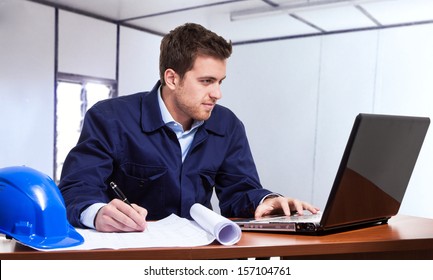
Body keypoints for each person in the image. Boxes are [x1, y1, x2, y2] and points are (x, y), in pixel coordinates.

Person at [59, 23, 319, 233]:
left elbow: (239, 191)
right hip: (132, 259)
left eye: (220, 81)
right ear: (172, 78)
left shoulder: (227, 125)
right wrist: (97, 214)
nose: (217, 93)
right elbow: (76, 187)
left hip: (199, 257)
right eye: (206, 81)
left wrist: (265, 201)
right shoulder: (110, 118)